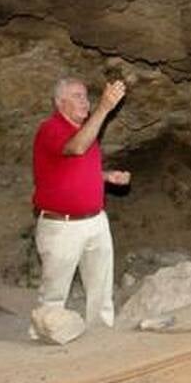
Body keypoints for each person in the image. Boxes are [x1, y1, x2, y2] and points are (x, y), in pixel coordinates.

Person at [31, 77, 131, 333]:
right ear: (59, 102)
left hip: (95, 221)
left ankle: (101, 333)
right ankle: (46, 336)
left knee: (101, 286)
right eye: (77, 96)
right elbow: (76, 148)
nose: (85, 101)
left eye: (86, 96)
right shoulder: (50, 128)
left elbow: (73, 170)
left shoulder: (88, 132)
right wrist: (104, 108)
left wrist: (107, 177)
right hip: (62, 226)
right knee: (54, 292)